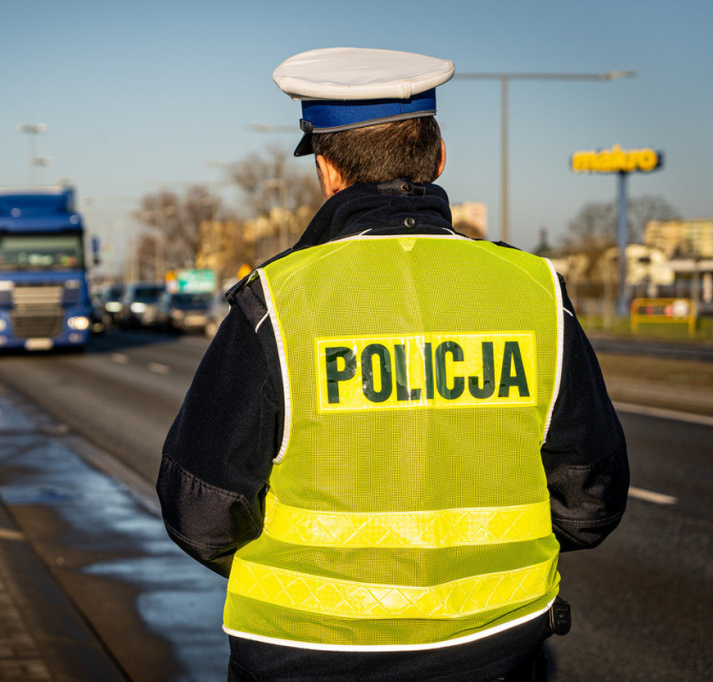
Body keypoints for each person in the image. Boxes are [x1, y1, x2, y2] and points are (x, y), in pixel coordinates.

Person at [157, 47, 629, 681]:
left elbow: (202, 512)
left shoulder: (277, 301)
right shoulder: (534, 289)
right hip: (497, 651)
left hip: (311, 655)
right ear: (438, 158)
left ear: (326, 171)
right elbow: (590, 498)